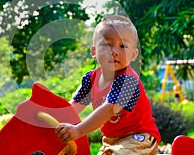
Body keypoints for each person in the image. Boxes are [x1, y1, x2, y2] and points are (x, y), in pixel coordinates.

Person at [55, 15, 161, 155]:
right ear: (94, 51)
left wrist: (78, 130)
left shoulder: (128, 81)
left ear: (133, 55)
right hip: (110, 141)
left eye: (123, 46)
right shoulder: (91, 79)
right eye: (107, 45)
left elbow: (110, 109)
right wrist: (55, 120)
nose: (115, 51)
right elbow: (74, 107)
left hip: (138, 137)